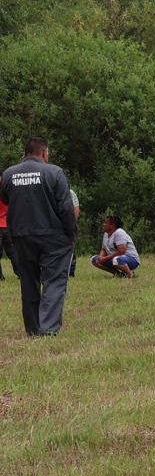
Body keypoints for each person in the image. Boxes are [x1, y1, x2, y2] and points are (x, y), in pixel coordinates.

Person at [2, 137, 78, 337]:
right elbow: (65, 208)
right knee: (53, 281)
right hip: (52, 236)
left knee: (28, 281)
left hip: (20, 236)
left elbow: (5, 199)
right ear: (44, 152)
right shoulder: (54, 172)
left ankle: (33, 328)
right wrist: (71, 233)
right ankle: (49, 329)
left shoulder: (9, 174)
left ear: (26, 153)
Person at [91, 214, 140, 278]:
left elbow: (122, 251)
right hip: (114, 258)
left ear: (112, 225)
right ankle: (118, 274)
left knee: (116, 260)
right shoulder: (106, 234)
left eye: (106, 222)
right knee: (94, 259)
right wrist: (101, 258)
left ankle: (130, 274)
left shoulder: (119, 232)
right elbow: (104, 249)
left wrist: (105, 258)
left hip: (131, 259)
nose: (103, 224)